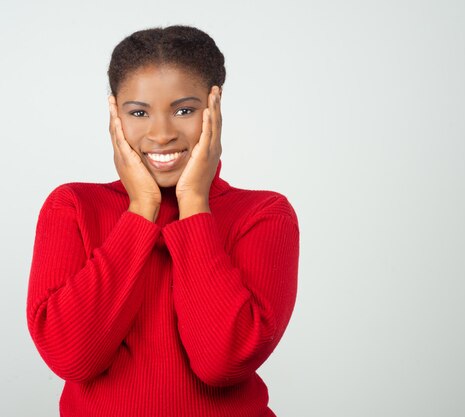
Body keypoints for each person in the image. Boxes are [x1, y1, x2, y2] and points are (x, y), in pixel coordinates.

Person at [26, 24, 300, 417]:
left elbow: (221, 363)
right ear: (114, 115)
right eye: (138, 112)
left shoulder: (263, 215)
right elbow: (72, 358)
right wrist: (141, 208)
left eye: (184, 110)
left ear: (214, 109)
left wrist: (193, 203)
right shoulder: (72, 207)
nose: (162, 134)